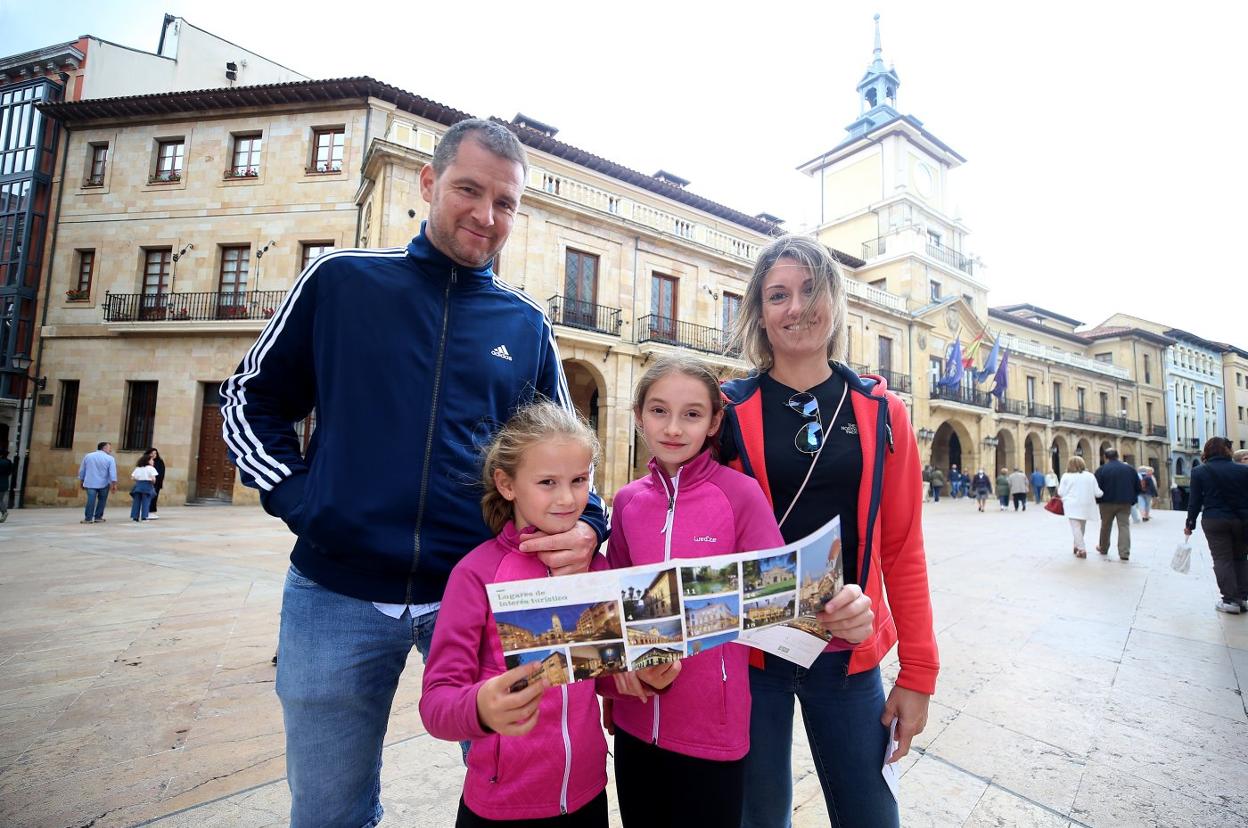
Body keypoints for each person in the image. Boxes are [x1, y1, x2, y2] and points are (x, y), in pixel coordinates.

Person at [219, 118, 608, 827]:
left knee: (516, 792)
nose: (486, 216)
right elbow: (251, 396)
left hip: (482, 594)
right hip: (333, 591)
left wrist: (587, 523)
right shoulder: (341, 283)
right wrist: (303, 499)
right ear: (429, 184)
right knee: (331, 811)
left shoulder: (524, 326)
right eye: (468, 190)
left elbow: (563, 453)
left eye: (506, 202)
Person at [721, 234, 937, 828]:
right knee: (758, 817)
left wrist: (918, 673)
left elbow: (901, 548)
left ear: (837, 303)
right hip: (753, 653)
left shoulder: (882, 412)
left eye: (813, 290)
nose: (797, 308)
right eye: (779, 295)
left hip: (847, 649)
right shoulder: (726, 411)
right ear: (760, 315)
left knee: (871, 815)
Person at [605, 355, 783, 826]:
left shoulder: (740, 495)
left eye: (691, 414)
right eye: (659, 410)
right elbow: (614, 607)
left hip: (713, 729)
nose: (673, 428)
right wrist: (617, 678)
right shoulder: (626, 502)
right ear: (639, 413)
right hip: (634, 723)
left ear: (713, 422)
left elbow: (778, 597)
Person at [420, 402, 612, 826]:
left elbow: (605, 673)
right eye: (547, 482)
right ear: (507, 484)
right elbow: (436, 702)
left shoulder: (596, 567)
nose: (567, 498)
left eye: (579, 480)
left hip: (588, 795)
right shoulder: (476, 574)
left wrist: (639, 676)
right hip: (500, 805)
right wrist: (480, 709)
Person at [1184, 437, 1248, 614]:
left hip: (1214, 519)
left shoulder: (1199, 472)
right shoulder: (1243, 470)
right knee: (1241, 558)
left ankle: (1230, 601)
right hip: (1241, 520)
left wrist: (1190, 523)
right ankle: (1243, 597)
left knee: (1222, 559)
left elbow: (1194, 501)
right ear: (1228, 450)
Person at [1093, 448, 1142, 561]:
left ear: (1105, 457)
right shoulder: (1129, 469)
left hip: (1106, 503)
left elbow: (1096, 487)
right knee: (1124, 526)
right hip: (1125, 502)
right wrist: (1131, 498)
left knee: (1105, 526)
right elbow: (1138, 487)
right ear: (1118, 456)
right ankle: (1124, 553)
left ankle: (1103, 548)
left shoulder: (1101, 470)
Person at [1057, 456, 1102, 558]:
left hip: (1071, 505)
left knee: (1076, 528)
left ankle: (1081, 549)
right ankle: (1076, 545)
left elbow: (1060, 492)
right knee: (1082, 527)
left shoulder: (1066, 476)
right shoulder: (1090, 476)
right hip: (1086, 504)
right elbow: (1097, 492)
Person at [78, 441, 117, 524]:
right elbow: (112, 473)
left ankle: (88, 518)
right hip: (104, 483)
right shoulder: (110, 458)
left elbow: (82, 470)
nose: (110, 450)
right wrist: (114, 484)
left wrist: (81, 480)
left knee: (90, 500)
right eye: (109, 448)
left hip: (90, 482)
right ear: (104, 448)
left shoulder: (88, 456)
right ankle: (98, 517)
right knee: (102, 500)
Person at [130, 451, 159, 523]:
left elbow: (132, 477)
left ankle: (135, 517)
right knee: (146, 502)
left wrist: (139, 480)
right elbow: (153, 479)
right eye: (151, 460)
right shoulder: (151, 468)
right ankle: (144, 517)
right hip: (147, 485)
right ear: (148, 461)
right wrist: (152, 482)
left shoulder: (138, 468)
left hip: (138, 485)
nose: (153, 461)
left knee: (136, 502)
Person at [146, 447, 166, 519]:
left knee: (154, 497)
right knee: (146, 497)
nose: (154, 455)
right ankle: (146, 511)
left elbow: (161, 472)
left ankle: (152, 511)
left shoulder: (160, 462)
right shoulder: (146, 461)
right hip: (147, 482)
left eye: (155, 453)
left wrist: (157, 480)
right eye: (152, 453)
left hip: (156, 483)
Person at [0, 448, 12, 522]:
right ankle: (4, 512)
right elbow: (9, 473)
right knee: (0, 499)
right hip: (5, 483)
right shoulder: (9, 462)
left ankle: (4, 512)